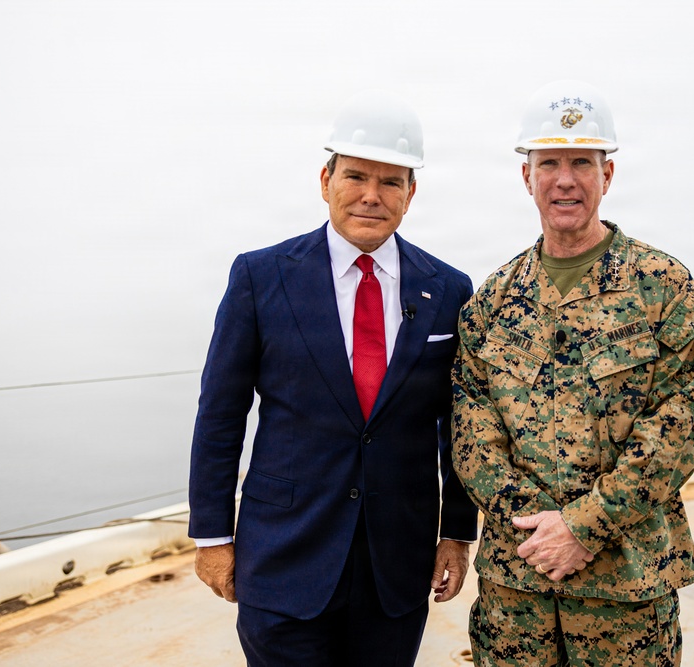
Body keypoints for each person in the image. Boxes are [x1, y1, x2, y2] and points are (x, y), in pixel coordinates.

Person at [188, 90, 478, 667]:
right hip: (284, 557)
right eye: (355, 176)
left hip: (395, 565)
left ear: (411, 193)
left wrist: (456, 531)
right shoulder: (260, 276)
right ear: (326, 180)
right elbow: (221, 414)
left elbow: (459, 426)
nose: (372, 195)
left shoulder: (448, 290)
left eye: (391, 181)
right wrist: (213, 537)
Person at [451, 80, 694, 666]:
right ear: (527, 176)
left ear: (607, 175)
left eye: (581, 163)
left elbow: (674, 434)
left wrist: (583, 526)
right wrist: (541, 535)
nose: (564, 179)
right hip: (517, 590)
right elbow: (471, 437)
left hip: (626, 591)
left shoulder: (663, 288)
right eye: (549, 163)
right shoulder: (493, 300)